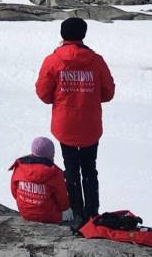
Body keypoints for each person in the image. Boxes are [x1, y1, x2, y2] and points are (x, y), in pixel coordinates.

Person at [34, 16, 114, 225]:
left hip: (65, 124)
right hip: (90, 124)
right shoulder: (96, 61)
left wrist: (61, 98)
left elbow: (43, 94)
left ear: (63, 35)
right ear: (83, 35)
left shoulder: (53, 60)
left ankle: (77, 212)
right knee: (90, 169)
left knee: (71, 168)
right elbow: (108, 92)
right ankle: (93, 212)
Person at [8, 136, 70, 224]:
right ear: (51, 155)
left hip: (25, 213)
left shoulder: (20, 167)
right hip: (50, 216)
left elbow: (14, 192)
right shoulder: (55, 173)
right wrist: (66, 209)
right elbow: (62, 198)